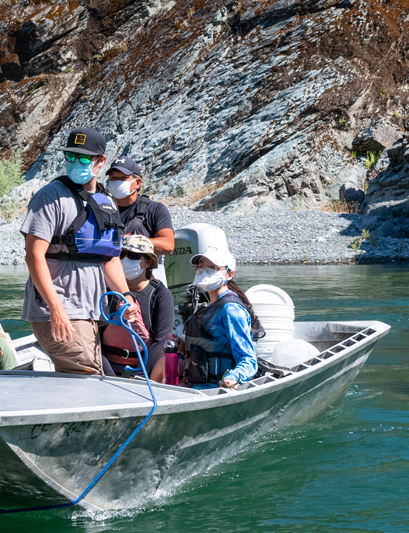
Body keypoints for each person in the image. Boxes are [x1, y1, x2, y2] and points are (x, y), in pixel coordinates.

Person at [20, 127, 147, 374]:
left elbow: (109, 259)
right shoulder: (49, 196)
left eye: (84, 158)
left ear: (101, 161)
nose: (76, 162)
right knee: (85, 379)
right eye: (71, 156)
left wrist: (126, 297)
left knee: (90, 379)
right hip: (57, 311)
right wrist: (56, 308)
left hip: (90, 313)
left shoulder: (107, 202)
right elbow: (34, 256)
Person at [179, 248, 265, 390]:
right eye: (201, 267)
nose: (204, 272)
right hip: (196, 385)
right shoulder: (209, 306)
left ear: (229, 274)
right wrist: (182, 344)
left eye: (212, 268)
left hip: (215, 388)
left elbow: (249, 359)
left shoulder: (231, 310)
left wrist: (232, 378)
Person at [99, 235, 177, 381]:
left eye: (133, 256)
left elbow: (160, 342)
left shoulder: (160, 295)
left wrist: (138, 376)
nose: (125, 260)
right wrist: (108, 375)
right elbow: (96, 337)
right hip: (107, 370)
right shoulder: (108, 293)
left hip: (143, 373)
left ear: (148, 262)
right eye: (121, 255)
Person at [106, 157, 173, 255]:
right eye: (113, 178)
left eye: (123, 178)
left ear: (137, 183)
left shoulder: (155, 209)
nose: (117, 182)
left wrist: (130, 241)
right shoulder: (101, 209)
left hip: (141, 268)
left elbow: (168, 246)